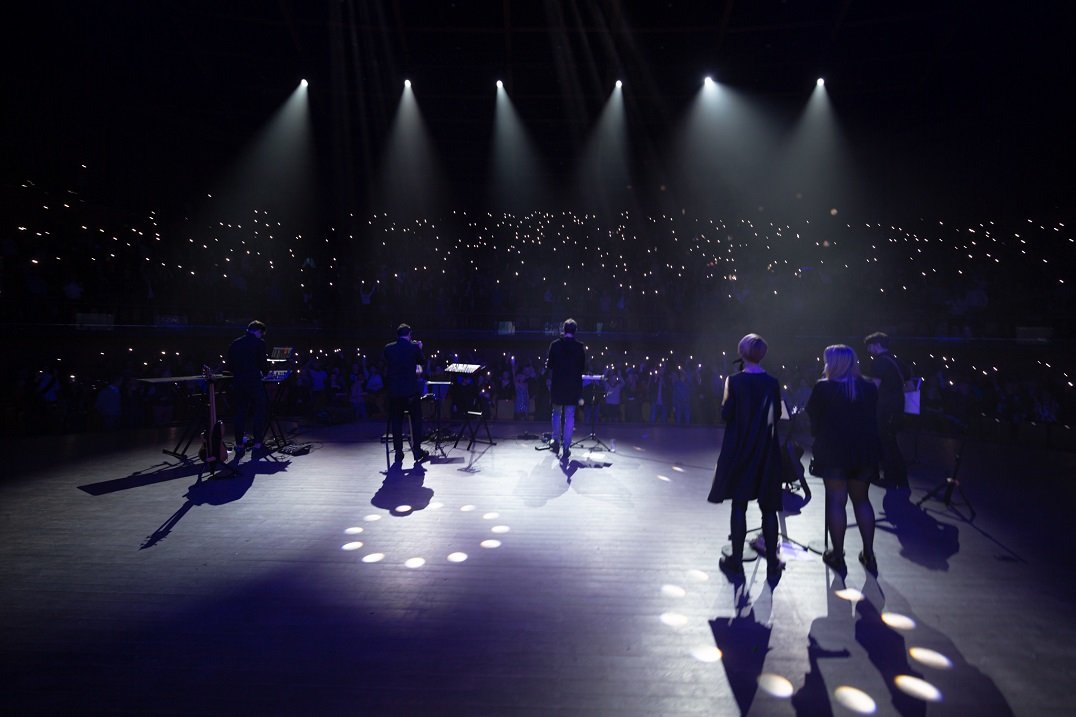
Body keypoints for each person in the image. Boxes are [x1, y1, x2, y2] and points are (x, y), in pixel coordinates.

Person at [707, 334, 784, 581]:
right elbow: (776, 414)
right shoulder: (772, 382)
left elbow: (726, 414)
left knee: (739, 505)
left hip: (739, 447)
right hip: (765, 448)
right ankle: (772, 562)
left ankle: (736, 561)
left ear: (742, 353)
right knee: (769, 508)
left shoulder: (734, 381)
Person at [806, 344, 882, 573]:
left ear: (832, 363)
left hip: (833, 452)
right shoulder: (868, 387)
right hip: (864, 452)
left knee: (836, 501)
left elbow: (813, 419)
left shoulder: (824, 388)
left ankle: (837, 555)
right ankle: (869, 554)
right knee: (862, 500)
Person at [863, 332, 909, 489]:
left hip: (884, 407)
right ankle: (901, 478)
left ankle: (891, 478)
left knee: (886, 443)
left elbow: (875, 386)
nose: (869, 350)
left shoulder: (879, 362)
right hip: (898, 406)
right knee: (891, 442)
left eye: (870, 347)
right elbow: (908, 381)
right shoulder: (896, 360)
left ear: (876, 345)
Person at [383, 324, 430, 467]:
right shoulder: (414, 347)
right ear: (409, 334)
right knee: (416, 421)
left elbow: (386, 365)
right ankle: (417, 450)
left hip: (395, 392)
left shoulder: (388, 348)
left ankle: (398, 452)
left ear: (397, 335)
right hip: (410, 392)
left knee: (397, 422)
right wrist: (419, 348)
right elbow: (422, 362)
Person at [545, 318, 586, 460]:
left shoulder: (555, 345)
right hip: (573, 386)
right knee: (569, 416)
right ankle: (566, 446)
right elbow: (583, 368)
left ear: (563, 329)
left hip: (558, 385)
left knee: (556, 413)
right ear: (575, 331)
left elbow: (549, 366)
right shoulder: (580, 347)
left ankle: (555, 441)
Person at [227, 320, 268, 455]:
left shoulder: (235, 343)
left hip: (238, 382)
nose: (261, 337)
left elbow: (230, 365)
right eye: (261, 334)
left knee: (240, 414)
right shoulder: (259, 343)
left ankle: (239, 445)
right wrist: (266, 373)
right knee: (259, 411)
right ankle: (257, 444)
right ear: (258, 331)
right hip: (254, 382)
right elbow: (263, 364)